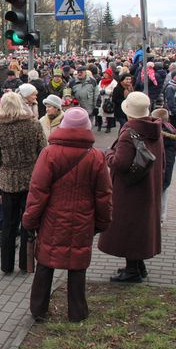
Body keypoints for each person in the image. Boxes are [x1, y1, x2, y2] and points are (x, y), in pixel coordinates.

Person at [22, 107, 112, 323]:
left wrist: (30, 219)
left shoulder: (49, 153)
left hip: (52, 219)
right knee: (77, 265)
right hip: (83, 219)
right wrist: (102, 222)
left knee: (45, 263)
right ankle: (77, 312)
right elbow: (104, 195)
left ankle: (38, 309)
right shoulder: (97, 157)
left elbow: (38, 191)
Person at [98, 92, 164, 283]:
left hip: (130, 189)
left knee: (129, 227)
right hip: (148, 186)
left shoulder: (129, 133)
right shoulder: (154, 129)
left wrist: (108, 153)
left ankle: (132, 269)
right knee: (140, 226)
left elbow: (120, 163)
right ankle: (137, 264)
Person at [0, 91, 47, 274]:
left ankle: (6, 265)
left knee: (8, 225)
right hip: (31, 180)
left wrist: (7, 163)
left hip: (8, 182)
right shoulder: (33, 124)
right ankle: (26, 263)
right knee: (28, 224)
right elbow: (43, 150)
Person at [151, 108, 176, 225]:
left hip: (158, 167)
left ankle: (155, 216)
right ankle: (162, 216)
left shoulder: (156, 133)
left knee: (156, 191)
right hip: (169, 164)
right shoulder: (172, 130)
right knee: (164, 191)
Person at [96, 68, 117, 133]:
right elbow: (98, 87)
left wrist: (106, 91)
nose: (105, 75)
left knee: (109, 113)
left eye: (106, 73)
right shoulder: (101, 81)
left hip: (108, 99)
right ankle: (99, 125)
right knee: (99, 113)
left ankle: (109, 127)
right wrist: (100, 90)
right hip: (101, 99)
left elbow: (114, 90)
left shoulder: (113, 82)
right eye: (104, 73)